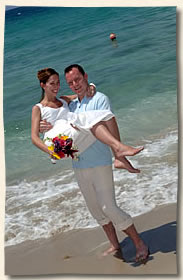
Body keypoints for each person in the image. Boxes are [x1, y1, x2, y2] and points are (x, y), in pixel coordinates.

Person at [39, 64, 149, 263]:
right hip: (79, 165)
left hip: (99, 162)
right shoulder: (71, 105)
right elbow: (57, 110)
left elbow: (107, 122)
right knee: (95, 210)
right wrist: (44, 125)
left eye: (78, 80)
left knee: (109, 208)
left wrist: (92, 87)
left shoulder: (99, 98)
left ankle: (139, 243)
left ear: (85, 77)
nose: (75, 85)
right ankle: (115, 244)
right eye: (71, 83)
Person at [32, 68, 143, 165]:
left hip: (70, 139)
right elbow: (34, 137)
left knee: (105, 117)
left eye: (58, 83)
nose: (56, 87)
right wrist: (50, 151)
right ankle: (119, 149)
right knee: (89, 119)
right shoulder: (38, 108)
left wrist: (91, 86)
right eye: (52, 83)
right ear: (43, 85)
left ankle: (119, 157)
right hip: (56, 145)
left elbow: (81, 93)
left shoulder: (63, 99)